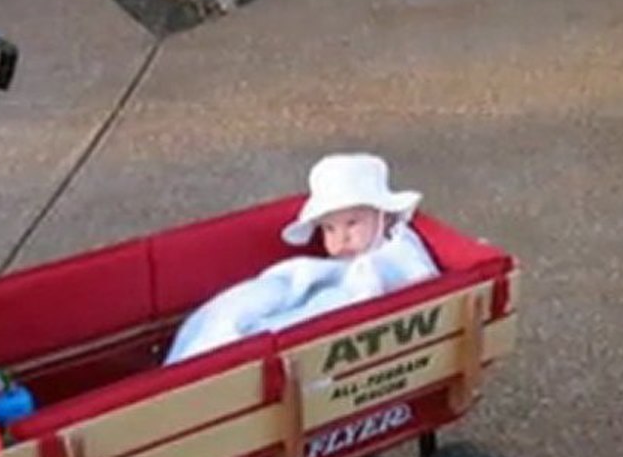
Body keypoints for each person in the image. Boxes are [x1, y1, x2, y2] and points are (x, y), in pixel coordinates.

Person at [163, 153, 441, 365]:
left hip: (343, 319)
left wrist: (373, 284)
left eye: (352, 223)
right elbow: (305, 281)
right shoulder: (334, 265)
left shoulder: (397, 247)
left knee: (291, 324)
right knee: (253, 299)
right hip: (313, 292)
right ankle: (209, 342)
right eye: (329, 228)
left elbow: (419, 282)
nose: (340, 238)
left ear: (384, 216)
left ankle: (230, 350)